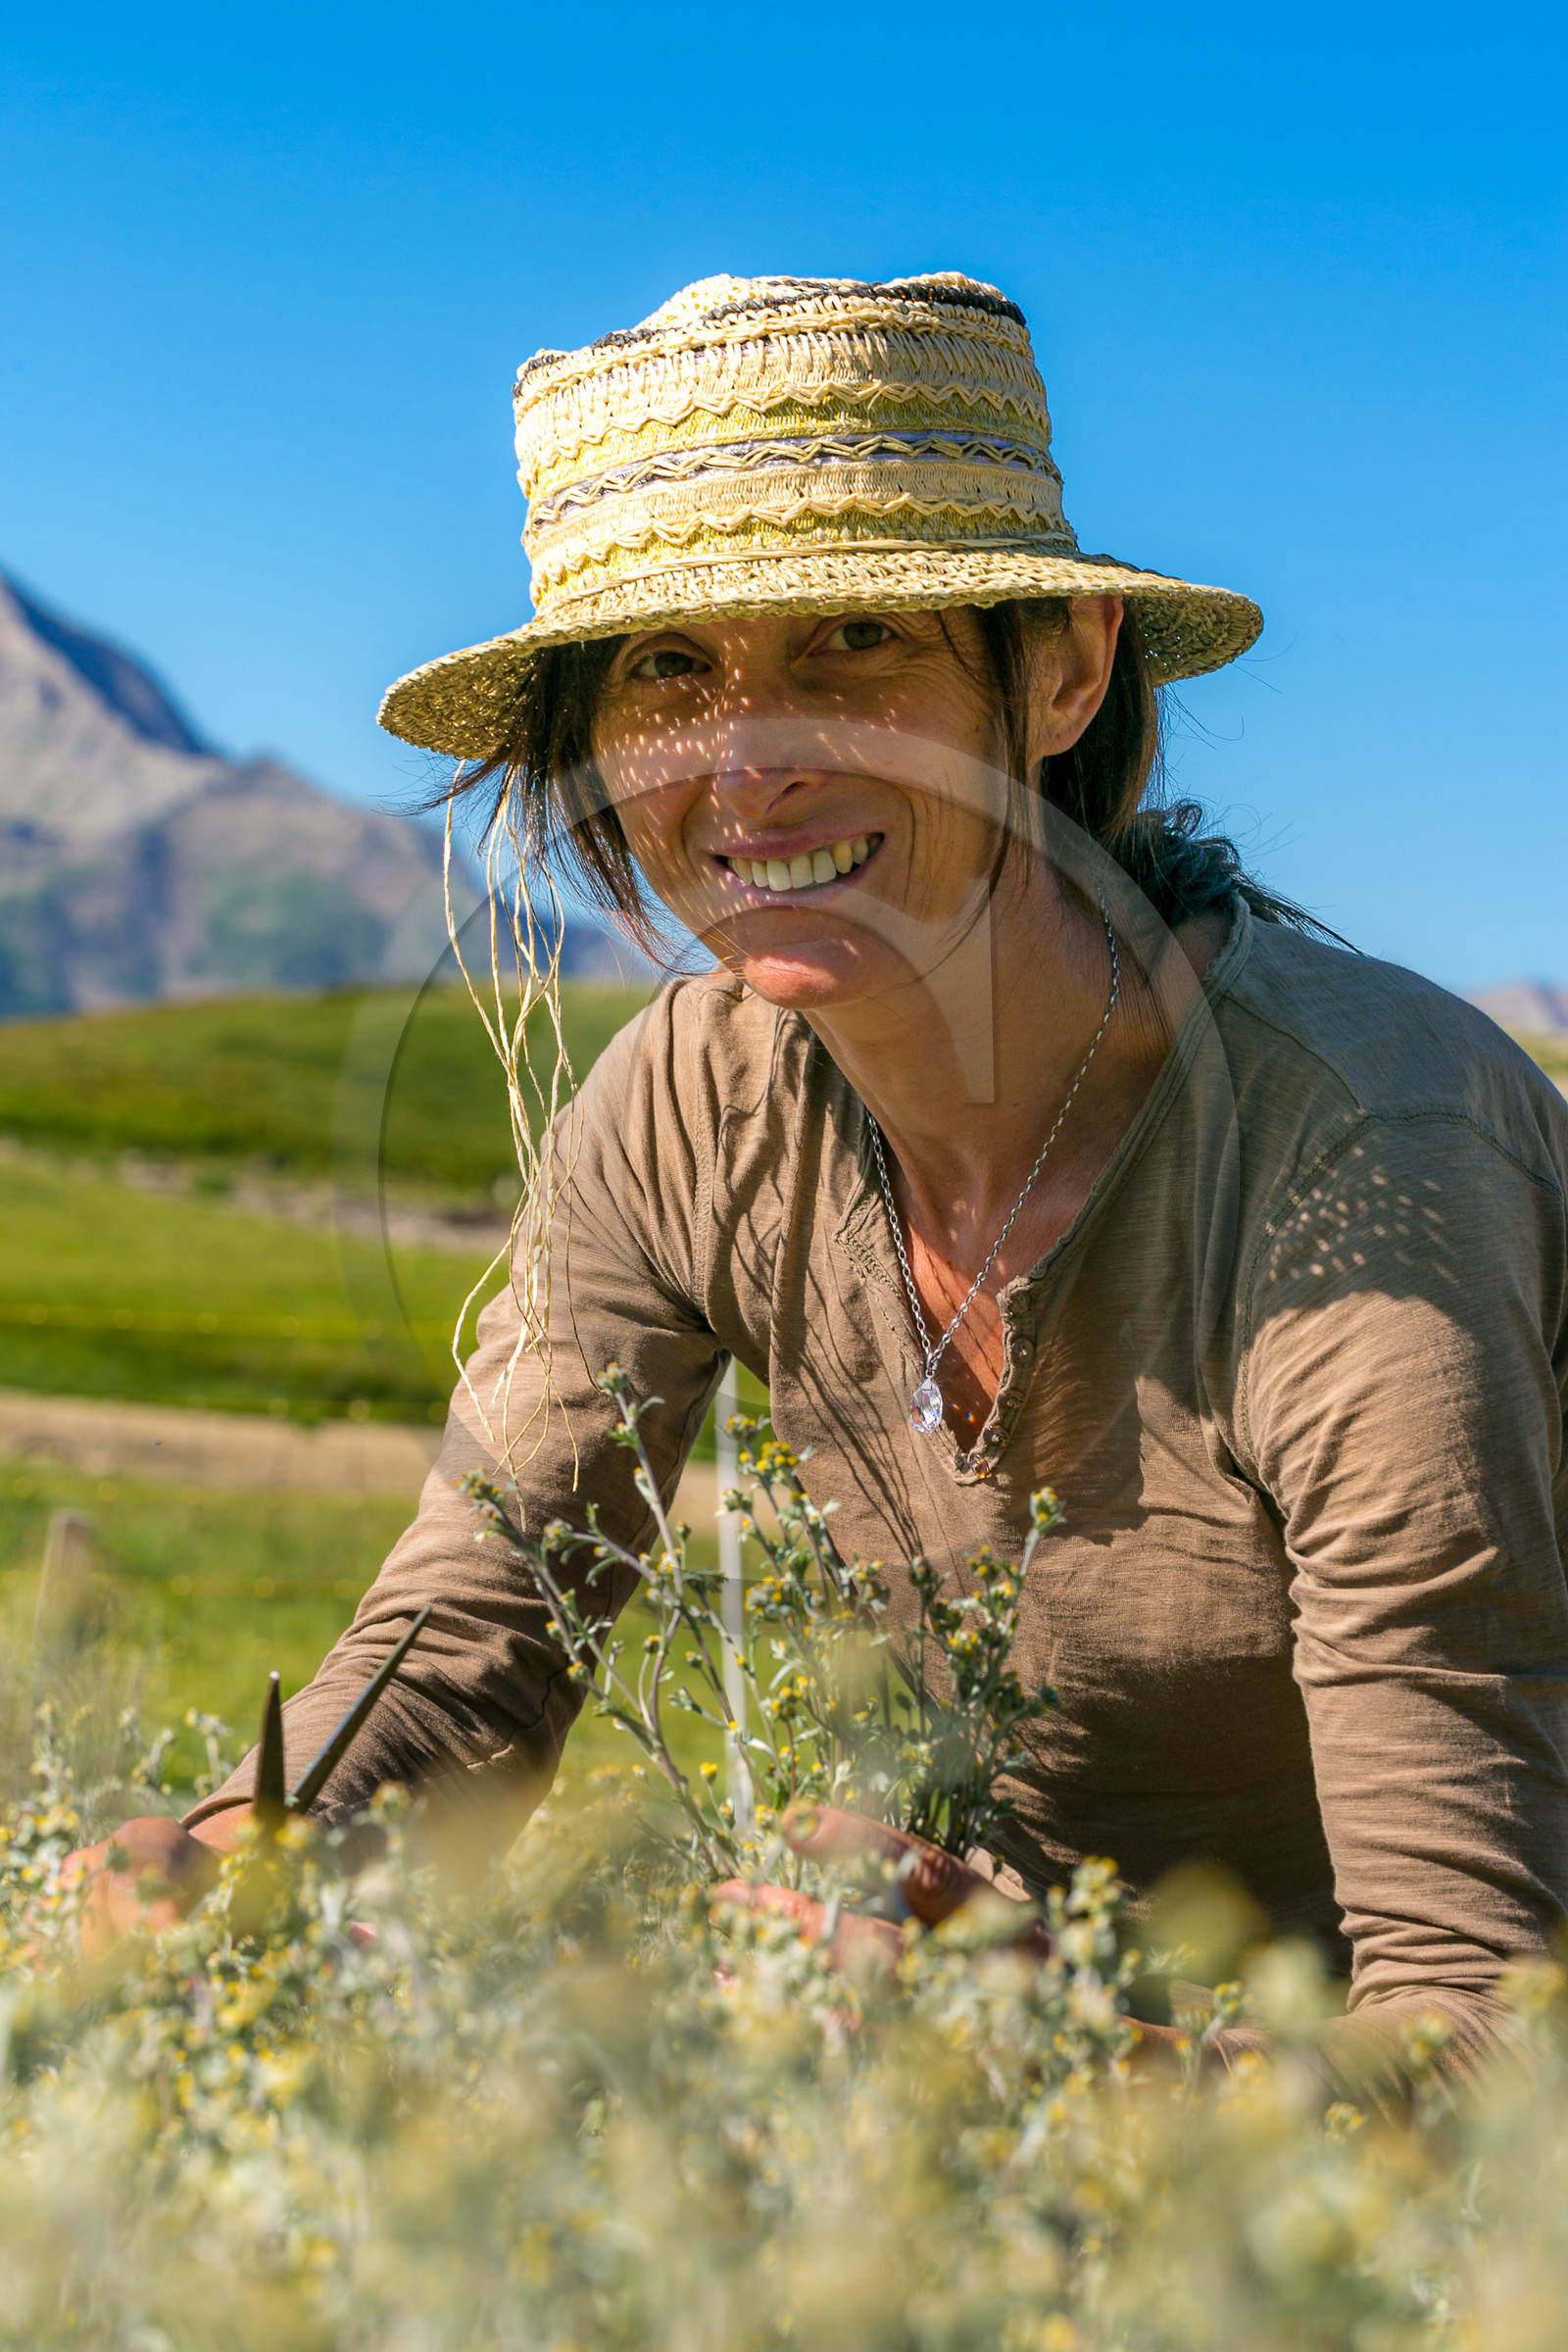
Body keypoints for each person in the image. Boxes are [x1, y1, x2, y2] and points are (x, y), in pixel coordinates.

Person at [74, 274, 1568, 2086]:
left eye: (858, 639)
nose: (752, 762)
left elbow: (1490, 2020)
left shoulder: (1365, 1149)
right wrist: (228, 1861)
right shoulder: (689, 1106)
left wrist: (1075, 2060)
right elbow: (477, 1640)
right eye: (666, 670)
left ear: (1067, 671)